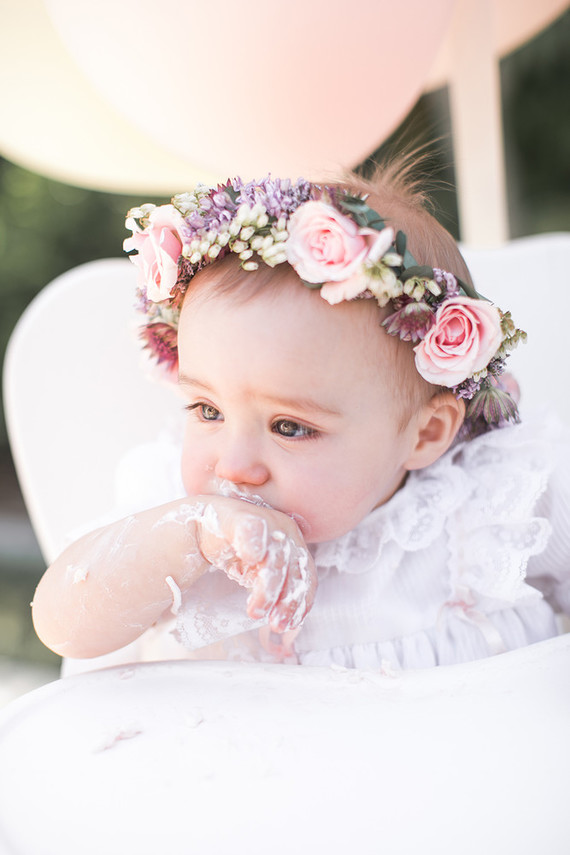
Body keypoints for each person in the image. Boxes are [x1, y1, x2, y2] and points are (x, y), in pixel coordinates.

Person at [31, 163, 570, 670]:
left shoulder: (495, 499)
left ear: (425, 434)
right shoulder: (174, 510)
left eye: (288, 427)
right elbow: (63, 627)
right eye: (208, 410)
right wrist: (189, 537)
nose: (235, 466)